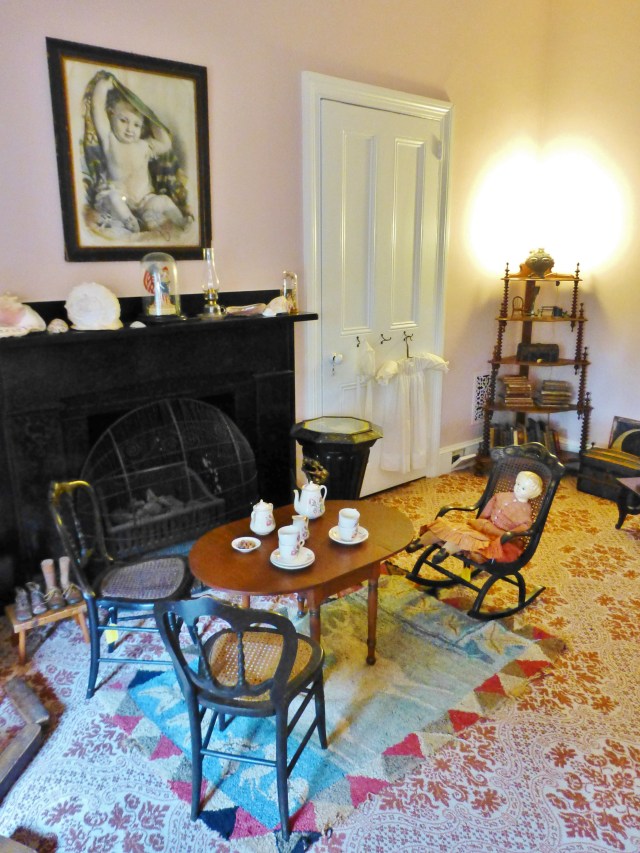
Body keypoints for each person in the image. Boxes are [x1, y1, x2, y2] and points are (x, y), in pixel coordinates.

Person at [83, 70, 190, 235]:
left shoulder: (145, 146)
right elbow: (97, 108)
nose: (129, 129)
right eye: (123, 120)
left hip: (145, 199)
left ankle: (182, 222)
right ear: (111, 117)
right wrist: (102, 88)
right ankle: (130, 221)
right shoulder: (110, 140)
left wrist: (152, 119)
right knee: (112, 198)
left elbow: (166, 143)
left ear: (142, 128)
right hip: (121, 196)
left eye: (136, 125)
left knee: (164, 201)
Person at [409, 470, 544, 563]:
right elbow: (487, 510)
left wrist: (503, 535)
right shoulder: (502, 496)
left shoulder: (525, 512)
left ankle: (445, 551)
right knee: (453, 529)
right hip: (482, 526)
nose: (518, 488)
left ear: (532, 495)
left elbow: (522, 530)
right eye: (517, 484)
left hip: (499, 537)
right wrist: (481, 521)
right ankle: (420, 542)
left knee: (469, 538)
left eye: (523, 488)